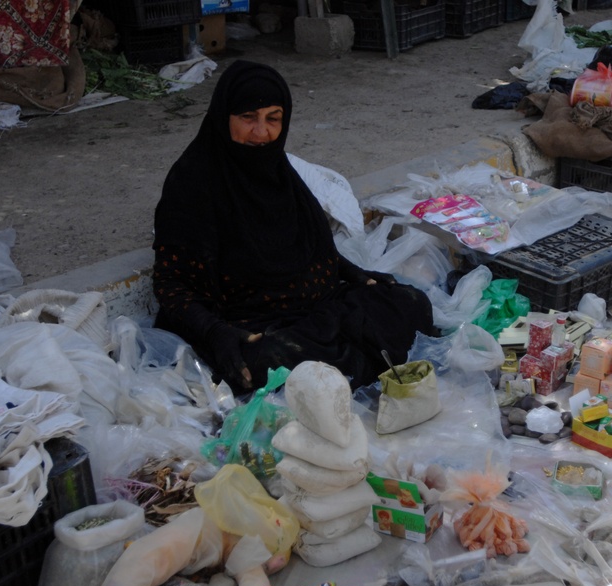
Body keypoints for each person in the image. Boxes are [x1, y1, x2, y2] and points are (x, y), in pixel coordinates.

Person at [152, 60, 434, 393]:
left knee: (411, 303)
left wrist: (352, 273)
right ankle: (347, 371)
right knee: (261, 362)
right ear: (223, 116)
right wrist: (214, 331)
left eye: (273, 119)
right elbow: (170, 281)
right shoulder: (192, 182)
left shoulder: (277, 171)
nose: (261, 133)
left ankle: (338, 375)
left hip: (316, 305)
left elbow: (308, 244)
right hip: (248, 322)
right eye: (247, 118)